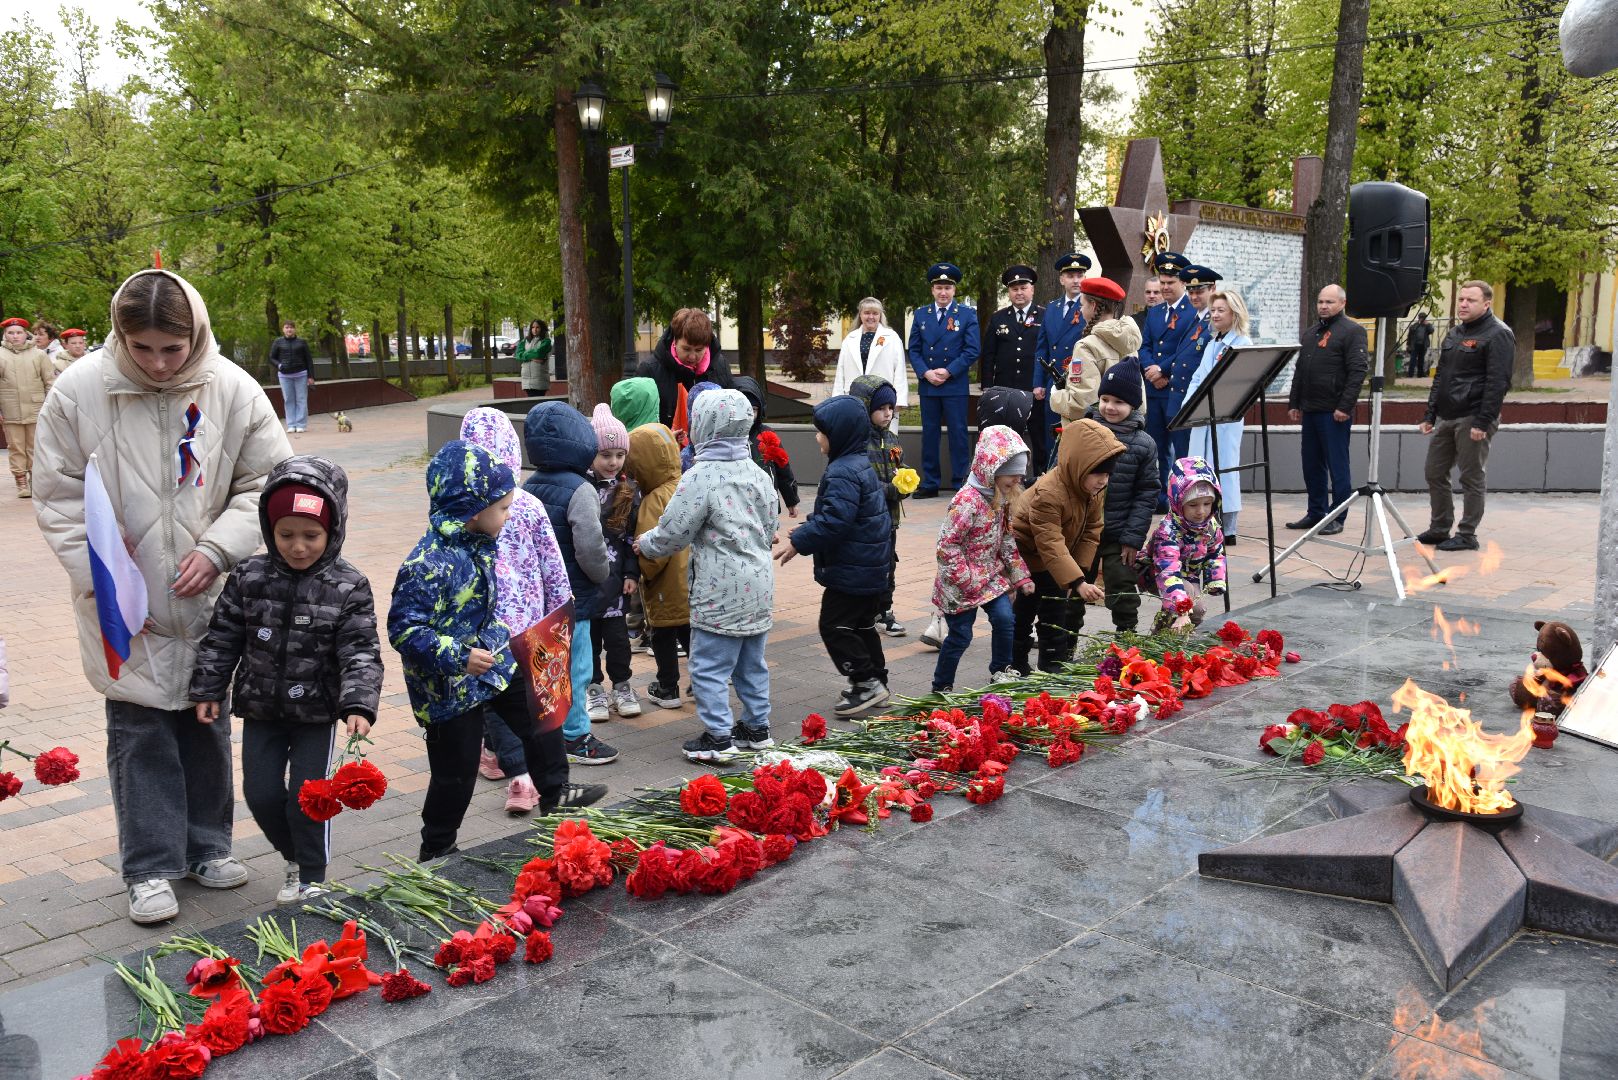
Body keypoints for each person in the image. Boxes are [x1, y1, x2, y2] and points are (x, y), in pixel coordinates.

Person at [34, 269, 292, 925]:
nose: (156, 364)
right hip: (126, 607)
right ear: (120, 335)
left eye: (171, 350)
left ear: (195, 335)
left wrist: (219, 549)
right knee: (140, 734)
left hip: (208, 599)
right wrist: (104, 579)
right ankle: (148, 868)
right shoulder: (76, 393)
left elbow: (268, 482)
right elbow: (60, 500)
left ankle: (208, 847)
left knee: (206, 727)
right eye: (142, 348)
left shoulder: (232, 389)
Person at [389, 440, 603, 862]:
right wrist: (457, 656)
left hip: (494, 664)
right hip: (449, 688)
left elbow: (489, 604)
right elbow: (404, 629)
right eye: (503, 508)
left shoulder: (481, 544)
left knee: (541, 719)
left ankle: (557, 793)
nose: (509, 515)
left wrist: (504, 638)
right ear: (472, 508)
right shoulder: (427, 564)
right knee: (455, 773)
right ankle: (436, 848)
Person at [189, 456, 382, 905]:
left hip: (316, 712)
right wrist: (208, 687)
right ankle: (294, 856)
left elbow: (360, 650)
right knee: (259, 793)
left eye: (311, 535)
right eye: (286, 534)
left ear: (332, 531)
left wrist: (358, 703)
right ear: (269, 530)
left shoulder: (349, 584)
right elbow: (222, 636)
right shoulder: (248, 576)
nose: (298, 547)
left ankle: (312, 875)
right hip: (261, 709)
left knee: (309, 797)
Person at [636, 390, 777, 763]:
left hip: (719, 588)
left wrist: (645, 544)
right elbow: (771, 524)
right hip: (759, 585)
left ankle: (718, 736)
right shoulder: (758, 474)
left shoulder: (701, 476)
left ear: (703, 426)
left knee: (708, 665)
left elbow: (675, 531)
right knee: (751, 662)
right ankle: (757, 727)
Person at [458, 406, 574, 813]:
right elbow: (552, 567)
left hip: (485, 631)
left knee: (497, 706)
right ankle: (551, 782)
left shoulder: (461, 510)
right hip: (534, 628)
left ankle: (520, 779)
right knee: (539, 705)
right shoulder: (526, 504)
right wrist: (561, 612)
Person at [777, 395, 893, 715]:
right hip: (869, 567)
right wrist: (810, 525)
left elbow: (835, 522)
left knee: (834, 626)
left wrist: (800, 541)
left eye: (821, 432)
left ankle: (865, 681)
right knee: (861, 626)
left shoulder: (842, 471)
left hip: (853, 571)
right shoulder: (858, 464)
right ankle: (875, 680)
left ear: (838, 435)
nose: (817, 437)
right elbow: (841, 515)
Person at [522, 402, 620, 765]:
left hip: (539, 597)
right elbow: (591, 546)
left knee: (545, 665)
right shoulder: (582, 489)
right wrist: (603, 575)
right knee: (577, 665)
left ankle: (545, 728)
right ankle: (576, 734)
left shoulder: (528, 484)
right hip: (574, 596)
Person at [1009, 417, 1124, 674]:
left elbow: (1093, 530)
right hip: (1028, 555)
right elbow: (1049, 541)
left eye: (1108, 474)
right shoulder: (1049, 493)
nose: (1103, 480)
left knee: (1055, 610)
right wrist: (1076, 581)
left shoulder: (1092, 489)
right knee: (1024, 612)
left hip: (1056, 559)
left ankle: (1052, 663)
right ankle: (1014, 663)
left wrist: (1079, 573)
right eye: (1098, 473)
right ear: (1078, 466)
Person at [930, 425, 1034, 692]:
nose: (1017, 482)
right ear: (992, 469)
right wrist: (967, 579)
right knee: (961, 636)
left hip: (988, 576)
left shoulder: (1001, 498)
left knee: (1004, 619)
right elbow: (947, 546)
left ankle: (1000, 669)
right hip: (960, 583)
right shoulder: (967, 501)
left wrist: (1020, 576)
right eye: (1013, 476)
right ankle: (942, 687)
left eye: (1020, 477)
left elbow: (1007, 538)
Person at [1417, 281, 1515, 552]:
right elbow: (1441, 378)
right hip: (1447, 415)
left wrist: (1483, 421)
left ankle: (1467, 534)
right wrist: (1430, 414)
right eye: (1461, 299)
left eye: (1470, 300)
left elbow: (1498, 382)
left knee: (1471, 476)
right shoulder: (1455, 333)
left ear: (1486, 304)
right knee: (1434, 472)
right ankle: (1439, 528)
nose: (1463, 304)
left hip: (1474, 416)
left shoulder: (1498, 334)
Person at [1286, 284, 1368, 536]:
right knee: (1311, 465)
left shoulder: (1353, 331)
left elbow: (1357, 371)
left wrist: (1345, 406)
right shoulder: (1311, 333)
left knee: (1337, 466)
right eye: (1321, 301)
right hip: (1310, 409)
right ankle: (1316, 512)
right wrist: (1294, 402)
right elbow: (1300, 370)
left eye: (1329, 302)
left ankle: (1337, 516)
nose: (1323, 306)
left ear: (1342, 304)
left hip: (1334, 413)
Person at [1085, 360, 1159, 634]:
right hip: (1083, 531)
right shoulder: (1084, 432)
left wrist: (1133, 538)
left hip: (1119, 534)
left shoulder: (1143, 443)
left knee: (1122, 589)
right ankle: (1062, 646)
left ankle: (1126, 640)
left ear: (1133, 406)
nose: (1109, 407)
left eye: (1119, 401)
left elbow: (1147, 492)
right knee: (1074, 587)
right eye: (1104, 399)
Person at [625, 422, 691, 708]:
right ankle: (702, 683)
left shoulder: (654, 500)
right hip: (693, 583)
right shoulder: (688, 484)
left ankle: (668, 688)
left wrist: (643, 572)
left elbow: (654, 549)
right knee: (692, 638)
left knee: (663, 636)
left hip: (666, 587)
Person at [585, 405, 642, 722]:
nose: (613, 462)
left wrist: (632, 572)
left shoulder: (627, 490)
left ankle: (622, 686)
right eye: (606, 454)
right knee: (589, 642)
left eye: (619, 454)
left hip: (618, 582)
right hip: (588, 582)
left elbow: (632, 536)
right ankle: (593, 689)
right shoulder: (582, 488)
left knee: (619, 641)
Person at [1185, 290, 1253, 543]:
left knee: (1224, 468)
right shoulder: (1213, 343)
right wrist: (1189, 407)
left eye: (1220, 310)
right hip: (1202, 417)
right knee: (1201, 468)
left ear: (1233, 313)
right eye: (1212, 310)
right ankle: (1203, 521)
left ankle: (1229, 526)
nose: (1214, 315)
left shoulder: (1242, 345)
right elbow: (1198, 377)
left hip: (1225, 418)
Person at [906, 262, 979, 497]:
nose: (943, 292)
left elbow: (972, 350)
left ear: (954, 290)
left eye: (948, 287)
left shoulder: (967, 315)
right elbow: (914, 350)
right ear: (932, 290)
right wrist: (926, 373)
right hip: (929, 384)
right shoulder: (921, 314)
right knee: (930, 434)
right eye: (939, 287)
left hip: (954, 384)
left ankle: (960, 480)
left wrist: (948, 372)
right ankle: (930, 482)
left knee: (958, 434)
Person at [848, 374, 911, 636]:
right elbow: (864, 482)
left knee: (888, 563)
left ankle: (885, 610)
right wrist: (890, 490)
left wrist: (908, 480)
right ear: (865, 409)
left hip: (890, 518)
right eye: (881, 409)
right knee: (867, 564)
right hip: (867, 519)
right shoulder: (858, 441)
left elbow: (901, 467)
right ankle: (863, 609)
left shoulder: (892, 439)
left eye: (890, 409)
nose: (887, 414)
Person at [1140, 457, 1228, 633]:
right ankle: (1165, 638)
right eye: (1193, 505)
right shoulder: (1168, 531)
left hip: (1190, 575)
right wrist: (1181, 610)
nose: (1201, 511)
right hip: (1157, 573)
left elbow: (1216, 553)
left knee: (1198, 611)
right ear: (1178, 503)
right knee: (1186, 605)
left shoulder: (1211, 527)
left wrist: (1215, 579)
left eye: (1207, 504)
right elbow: (1167, 570)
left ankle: (1167, 638)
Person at [1047, 276, 1142, 431]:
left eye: (1082, 305)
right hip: (1126, 430)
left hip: (1092, 436)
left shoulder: (1087, 346)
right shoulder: (1129, 341)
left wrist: (1056, 395)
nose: (1080, 310)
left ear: (1093, 305)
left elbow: (1081, 405)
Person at [1142, 251, 1196, 504]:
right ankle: (1161, 497)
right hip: (1154, 390)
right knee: (1156, 448)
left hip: (1177, 389)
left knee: (1181, 450)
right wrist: (1151, 370)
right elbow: (1144, 346)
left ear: (1183, 283)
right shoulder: (1154, 312)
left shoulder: (1192, 312)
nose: (1164, 288)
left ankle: (1183, 497)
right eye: (1162, 282)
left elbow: (1186, 349)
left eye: (1170, 283)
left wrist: (1162, 370)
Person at [982, 265, 1046, 467]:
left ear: (1032, 289)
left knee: (1039, 438)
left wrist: (1043, 383)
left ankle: (1039, 479)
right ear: (1009, 292)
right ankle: (1007, 481)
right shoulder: (998, 318)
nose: (1019, 292)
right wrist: (987, 386)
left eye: (1023, 287)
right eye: (1014, 289)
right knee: (1007, 440)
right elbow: (988, 354)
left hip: (1034, 390)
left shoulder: (1044, 316)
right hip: (1006, 390)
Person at [1034, 253, 1094, 459]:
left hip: (1078, 380)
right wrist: (1038, 382)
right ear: (1062, 279)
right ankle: (1053, 476)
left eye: (1080, 275)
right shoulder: (1052, 308)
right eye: (1071, 276)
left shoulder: (1091, 307)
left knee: (1077, 433)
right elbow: (1042, 347)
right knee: (1052, 431)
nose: (1076, 280)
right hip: (1053, 381)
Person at [639, 308, 733, 428]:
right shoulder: (650, 370)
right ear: (674, 341)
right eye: (686, 349)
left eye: (699, 350)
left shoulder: (721, 365)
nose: (692, 357)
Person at [0, 317, 56, 498]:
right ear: (5, 335)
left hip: (36, 407)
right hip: (10, 408)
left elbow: (49, 381)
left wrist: (50, 404)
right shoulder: (1, 355)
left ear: (26, 334)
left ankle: (35, 478)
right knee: (15, 445)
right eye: (11, 333)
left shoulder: (38, 355)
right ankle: (21, 480)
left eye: (19, 333)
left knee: (35, 445)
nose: (15, 336)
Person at [832, 298, 909, 424]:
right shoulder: (849, 339)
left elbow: (900, 370)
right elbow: (840, 371)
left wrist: (899, 401)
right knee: (856, 438)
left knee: (881, 440)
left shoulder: (892, 338)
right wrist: (837, 398)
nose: (871, 317)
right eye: (867, 313)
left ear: (880, 315)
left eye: (875, 313)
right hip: (853, 398)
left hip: (883, 399)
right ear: (860, 315)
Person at [734, 376, 800, 518]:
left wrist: (791, 500)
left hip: (766, 505)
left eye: (754, 409)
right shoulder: (727, 436)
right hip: (737, 507)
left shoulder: (766, 434)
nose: (749, 415)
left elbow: (783, 468)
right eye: (743, 409)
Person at [268, 321, 313, 435]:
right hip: (284, 376)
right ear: (283, 329)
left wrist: (311, 376)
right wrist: (279, 365)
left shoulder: (302, 342)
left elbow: (309, 360)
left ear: (295, 329)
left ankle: (301, 425)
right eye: (287, 327)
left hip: (301, 374)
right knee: (288, 399)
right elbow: (271, 358)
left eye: (291, 328)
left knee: (301, 399)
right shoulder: (278, 342)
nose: (289, 330)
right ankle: (291, 424)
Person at [517, 320, 552, 397]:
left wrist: (525, 355)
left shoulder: (546, 341)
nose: (534, 329)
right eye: (533, 327)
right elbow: (518, 355)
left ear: (542, 328)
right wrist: (532, 357)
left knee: (537, 403)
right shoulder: (525, 341)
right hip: (526, 380)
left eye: (537, 327)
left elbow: (538, 353)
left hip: (539, 379)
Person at [1407, 311, 1433, 379]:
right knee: (1413, 359)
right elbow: (1409, 336)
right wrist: (1408, 344)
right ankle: (1410, 374)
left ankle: (1420, 374)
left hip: (1423, 345)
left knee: (1421, 360)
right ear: (1419, 318)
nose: (1423, 319)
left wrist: (1428, 324)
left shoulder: (1427, 326)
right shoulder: (1414, 326)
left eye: (1424, 318)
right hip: (1415, 345)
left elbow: (1431, 331)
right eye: (1422, 318)